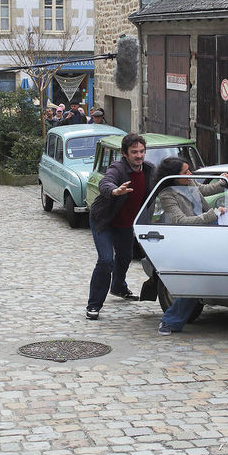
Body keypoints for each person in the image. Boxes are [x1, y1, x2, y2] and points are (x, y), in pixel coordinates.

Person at [151, 157, 228, 335]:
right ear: (173, 176)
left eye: (189, 170)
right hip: (187, 238)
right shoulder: (167, 195)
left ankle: (171, 320)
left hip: (206, 231)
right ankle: (170, 321)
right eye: (185, 172)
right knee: (197, 278)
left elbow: (201, 189)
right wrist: (212, 214)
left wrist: (221, 183)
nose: (190, 174)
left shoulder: (188, 181)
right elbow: (180, 220)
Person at [85, 133, 156, 320]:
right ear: (125, 154)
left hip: (125, 224)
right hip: (105, 221)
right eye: (134, 152)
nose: (139, 155)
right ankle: (93, 305)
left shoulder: (149, 170)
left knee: (125, 257)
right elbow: (105, 181)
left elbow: (170, 179)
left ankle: (118, 287)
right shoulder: (118, 168)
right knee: (106, 260)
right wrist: (114, 190)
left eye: (141, 151)